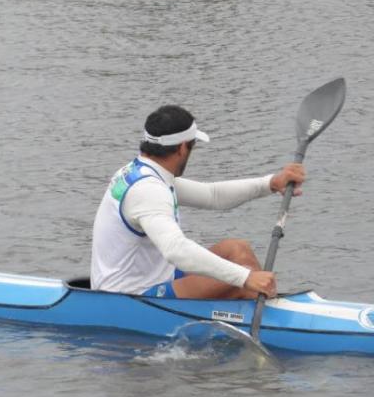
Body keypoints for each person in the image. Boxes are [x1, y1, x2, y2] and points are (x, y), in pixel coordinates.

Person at [90, 105, 306, 300]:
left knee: (238, 248)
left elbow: (212, 195)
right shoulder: (148, 191)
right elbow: (176, 250)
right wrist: (245, 278)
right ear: (182, 148)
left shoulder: (145, 172)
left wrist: (271, 183)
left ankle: (259, 301)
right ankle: (265, 313)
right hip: (129, 296)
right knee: (239, 281)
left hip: (154, 277)